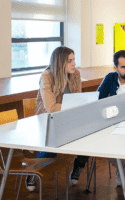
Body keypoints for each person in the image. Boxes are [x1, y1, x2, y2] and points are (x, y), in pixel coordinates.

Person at [70, 50, 125, 187]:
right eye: (123, 67)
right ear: (115, 68)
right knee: (90, 133)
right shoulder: (110, 78)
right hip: (112, 121)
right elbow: (98, 99)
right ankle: (121, 166)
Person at [25, 46, 81, 192]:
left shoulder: (76, 74)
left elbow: (78, 99)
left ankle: (78, 165)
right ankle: (33, 171)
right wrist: (74, 106)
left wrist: (76, 106)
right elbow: (50, 107)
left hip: (68, 117)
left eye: (74, 59)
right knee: (52, 147)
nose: (74, 63)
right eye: (70, 61)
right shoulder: (47, 76)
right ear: (60, 62)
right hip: (48, 120)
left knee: (88, 137)